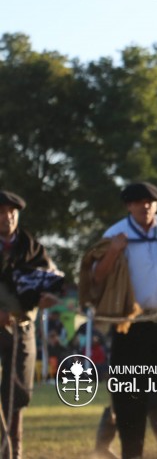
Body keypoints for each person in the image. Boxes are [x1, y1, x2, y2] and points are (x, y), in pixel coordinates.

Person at [91, 182, 157, 459]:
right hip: (131, 324)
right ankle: (132, 453)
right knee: (129, 393)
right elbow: (96, 276)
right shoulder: (115, 233)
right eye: (139, 202)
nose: (146, 206)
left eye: (151, 201)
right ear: (129, 206)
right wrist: (114, 251)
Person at [0, 190, 62, 459]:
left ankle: (14, 453)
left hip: (21, 329)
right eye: (1, 212)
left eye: (12, 212)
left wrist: (50, 298)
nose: (7, 217)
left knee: (18, 394)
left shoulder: (33, 247)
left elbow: (52, 280)